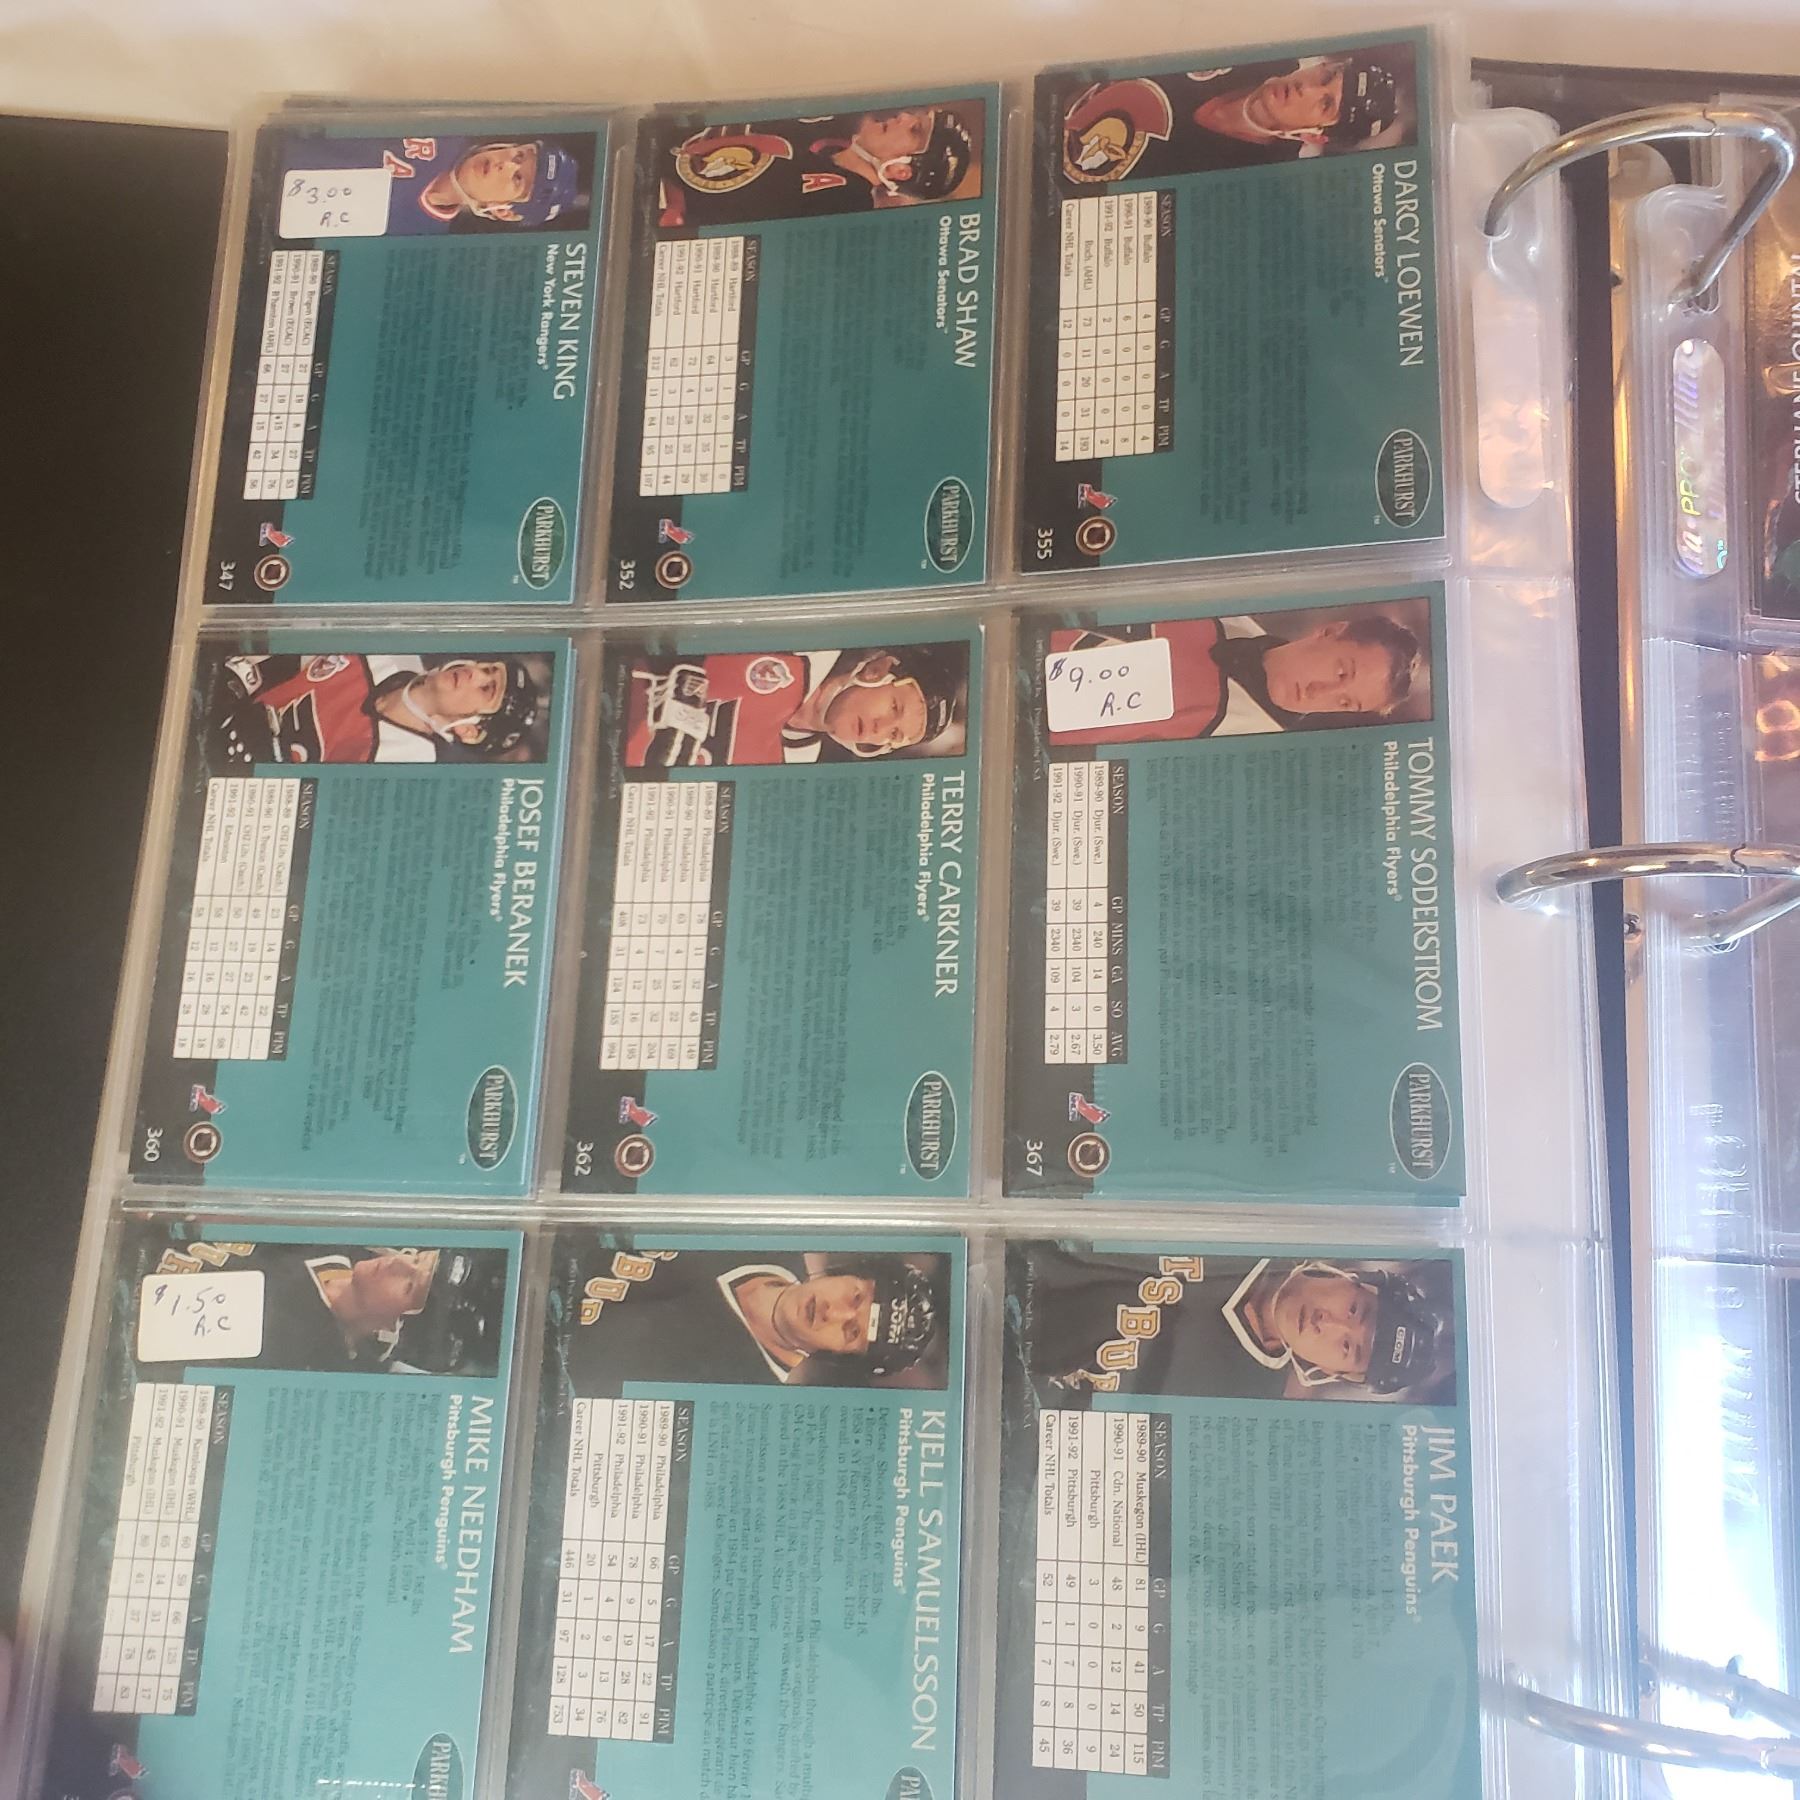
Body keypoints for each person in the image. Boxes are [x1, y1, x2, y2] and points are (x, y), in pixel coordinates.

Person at [1013, 1244, 1457, 1404]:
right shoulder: (1253, 1225)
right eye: (1356, 1311)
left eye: (1348, 1349)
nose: (1330, 1324)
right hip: (1018, 1252)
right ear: (1353, 1280)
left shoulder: (1242, 1401)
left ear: (1336, 1373)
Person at [565, 1249, 947, 1390]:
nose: (833, 1312)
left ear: (839, 1356)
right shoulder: (759, 1221)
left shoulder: (736, 1389)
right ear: (850, 1271)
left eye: (850, 1332)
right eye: (855, 1296)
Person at [1045, 609, 1424, 745]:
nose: (1319, 692)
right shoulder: (1222, 610)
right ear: (1330, 631)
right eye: (1341, 672)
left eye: (1344, 702)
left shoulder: (1247, 744)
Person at [1061, 47, 1410, 184]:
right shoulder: (1256, 45)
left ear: (1315, 135)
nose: (1306, 88)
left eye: (1325, 104)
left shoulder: (1253, 176)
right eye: (1325, 77)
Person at [626, 644, 965, 765]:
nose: (881, 730)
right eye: (894, 709)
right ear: (879, 669)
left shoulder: (794, 767)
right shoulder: (798, 642)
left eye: (894, 736)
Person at [660, 105, 976, 225]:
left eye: (914, 130)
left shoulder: (844, 200)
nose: (903, 117)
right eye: (914, 117)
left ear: (900, 170)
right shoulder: (825, 139)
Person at [214, 651, 543, 764]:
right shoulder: (388, 652)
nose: (474, 673)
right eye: (487, 668)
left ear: (470, 731)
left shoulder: (406, 762)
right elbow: (288, 664)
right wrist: (240, 680)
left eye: (487, 688)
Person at [279, 134, 584, 233]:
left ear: (503, 211)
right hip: (281, 143)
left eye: (518, 179)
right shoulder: (445, 128)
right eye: (518, 155)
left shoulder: (419, 232)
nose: (506, 164)